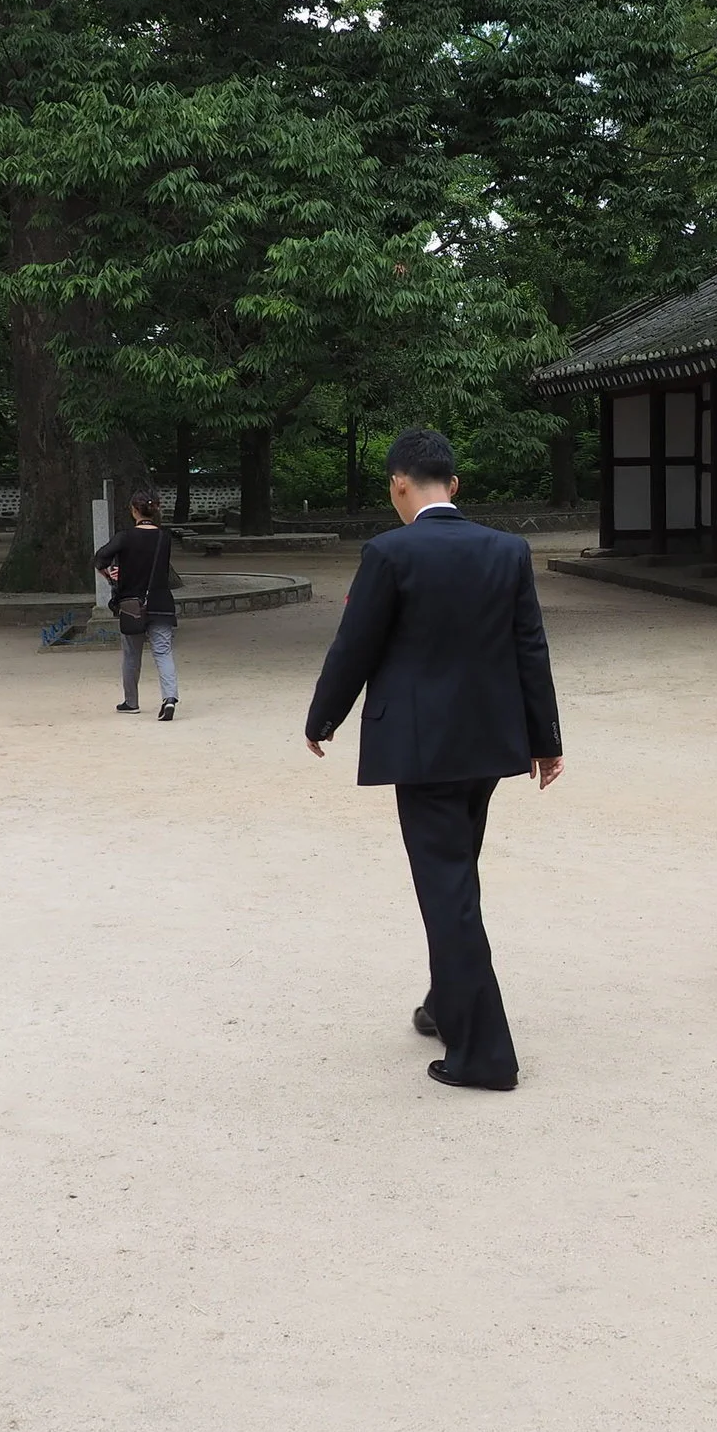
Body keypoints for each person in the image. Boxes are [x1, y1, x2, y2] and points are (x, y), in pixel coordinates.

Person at [304, 428, 562, 1092]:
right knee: (455, 877)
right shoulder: (507, 550)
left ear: (398, 482)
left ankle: (485, 1054)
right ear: (454, 483)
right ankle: (446, 1002)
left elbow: (353, 645)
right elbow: (530, 647)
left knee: (447, 887)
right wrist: (546, 740)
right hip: (490, 745)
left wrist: (323, 716)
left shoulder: (390, 552)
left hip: (424, 749)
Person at [93, 489, 180, 719]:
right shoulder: (165, 537)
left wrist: (111, 575)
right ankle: (169, 698)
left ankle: (131, 702)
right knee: (163, 652)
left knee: (132, 654)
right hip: (160, 601)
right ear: (156, 509)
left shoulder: (125, 537)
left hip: (131, 603)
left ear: (133, 510)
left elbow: (100, 557)